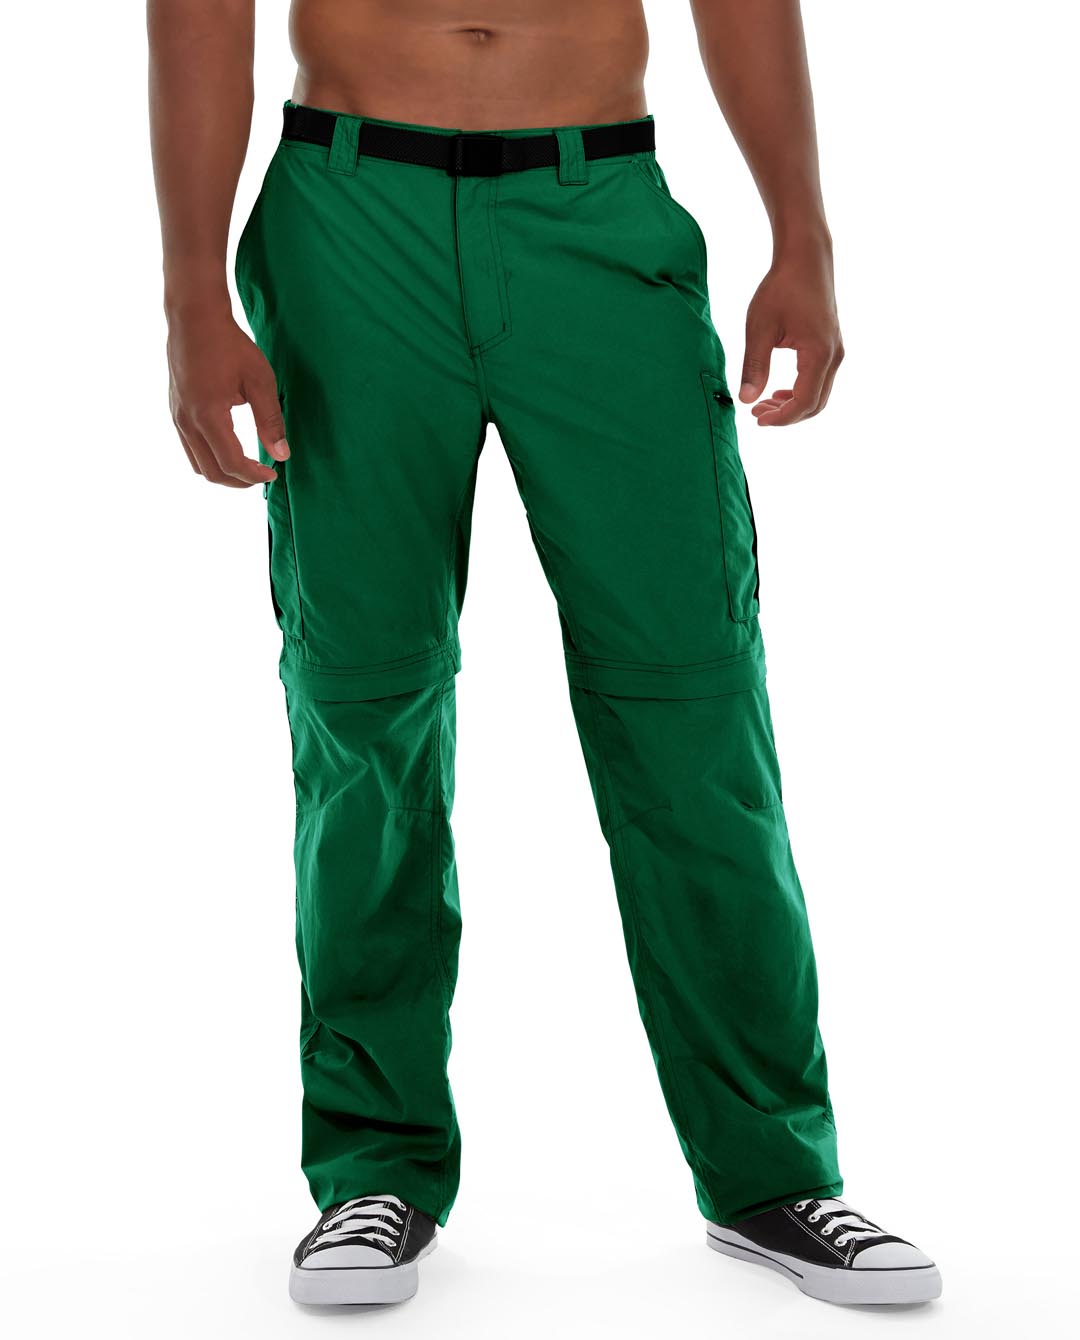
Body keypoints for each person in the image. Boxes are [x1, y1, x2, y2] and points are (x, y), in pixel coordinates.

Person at [148, 0, 940, 1309]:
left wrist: (803, 235)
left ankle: (771, 1173)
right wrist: (190, 297)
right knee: (365, 703)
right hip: (350, 215)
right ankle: (373, 1169)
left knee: (691, 701)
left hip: (599, 204)